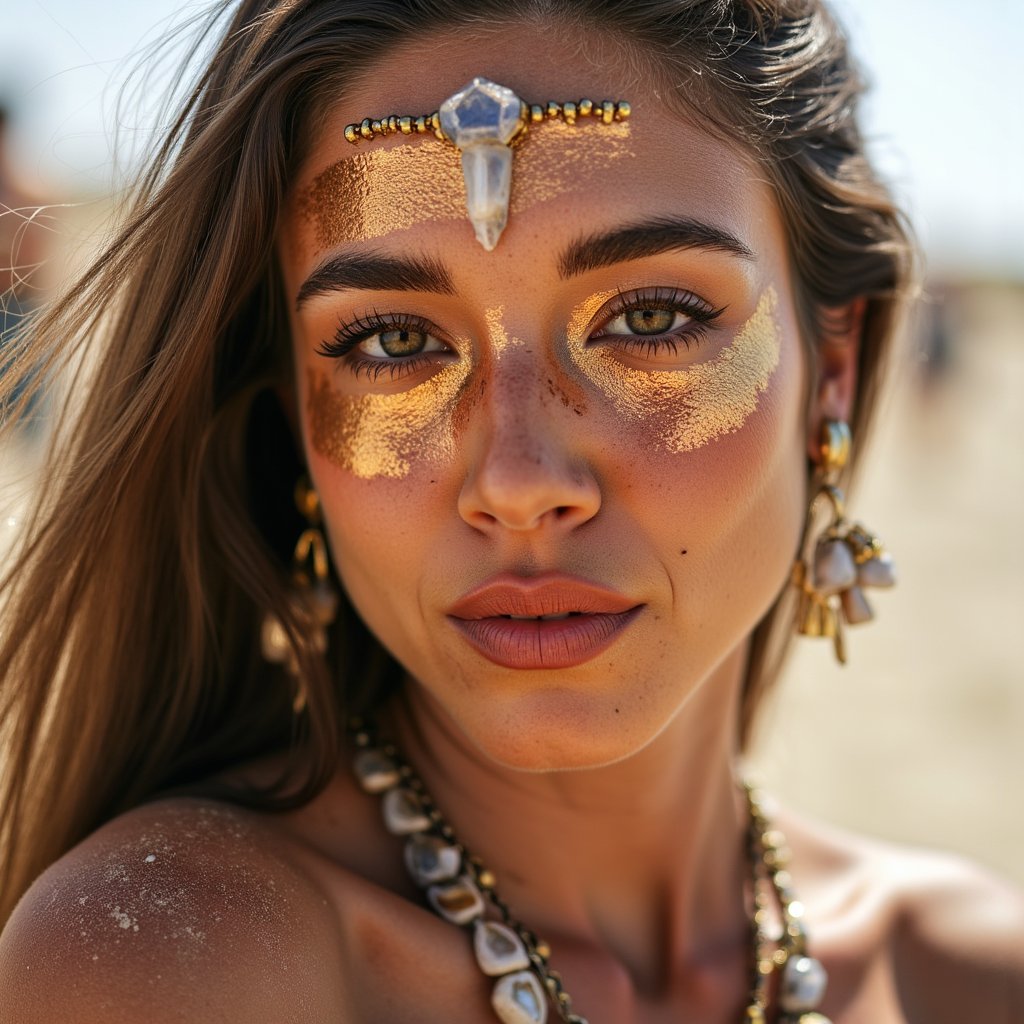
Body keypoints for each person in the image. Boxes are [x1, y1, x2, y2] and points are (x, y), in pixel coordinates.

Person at [0, 1, 1021, 1021]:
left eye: (651, 318)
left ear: (830, 371)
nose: (520, 480)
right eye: (393, 342)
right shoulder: (169, 965)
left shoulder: (968, 979)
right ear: (291, 424)